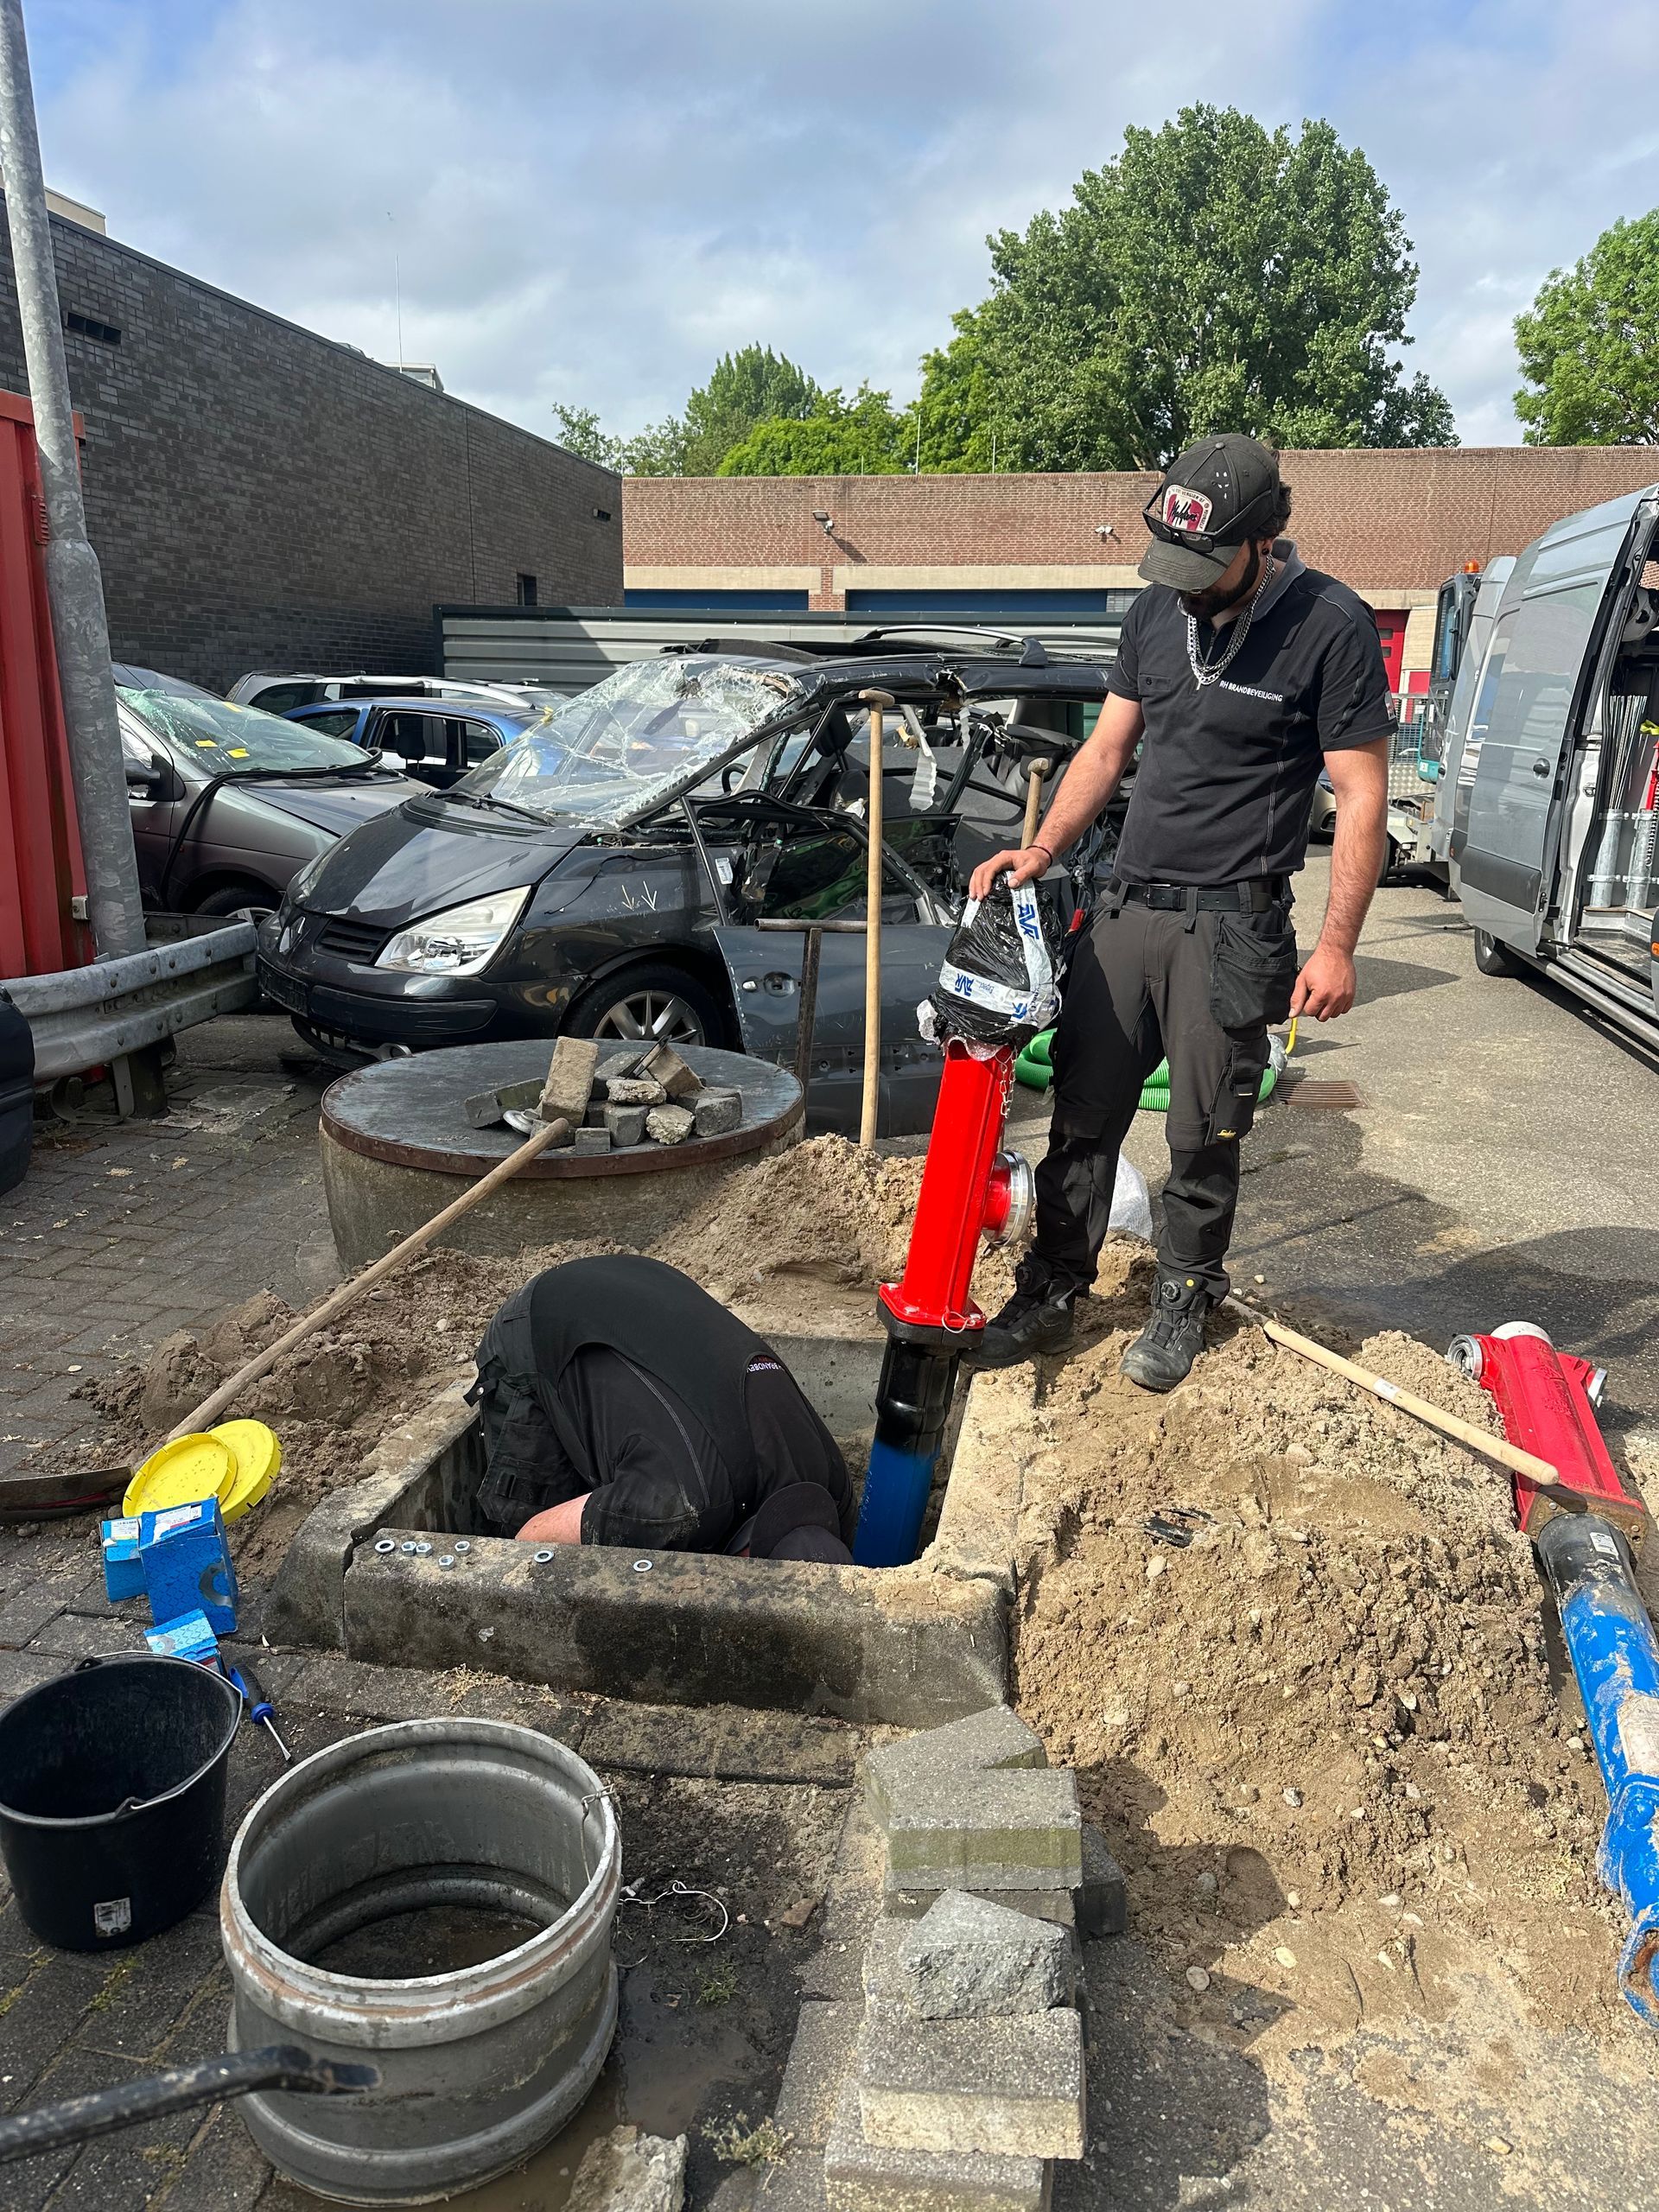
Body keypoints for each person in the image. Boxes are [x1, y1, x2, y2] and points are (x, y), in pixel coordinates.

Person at [968, 434, 1393, 1389]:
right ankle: (1051, 1288)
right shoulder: (1159, 611)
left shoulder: (1332, 623)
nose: (1187, 586)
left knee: (1203, 1130)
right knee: (1080, 1115)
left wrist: (1337, 946)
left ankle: (1184, 1295)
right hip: (1128, 908)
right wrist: (1042, 849)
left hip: (1233, 925)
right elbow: (1107, 749)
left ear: (1262, 539)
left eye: (1206, 567)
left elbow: (1362, 795)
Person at [468, 1255, 855, 1561]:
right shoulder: (679, 1505)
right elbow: (531, 1540)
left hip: (647, 1284)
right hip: (546, 1321)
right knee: (538, 1556)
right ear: (744, 1557)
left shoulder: (833, 1486)